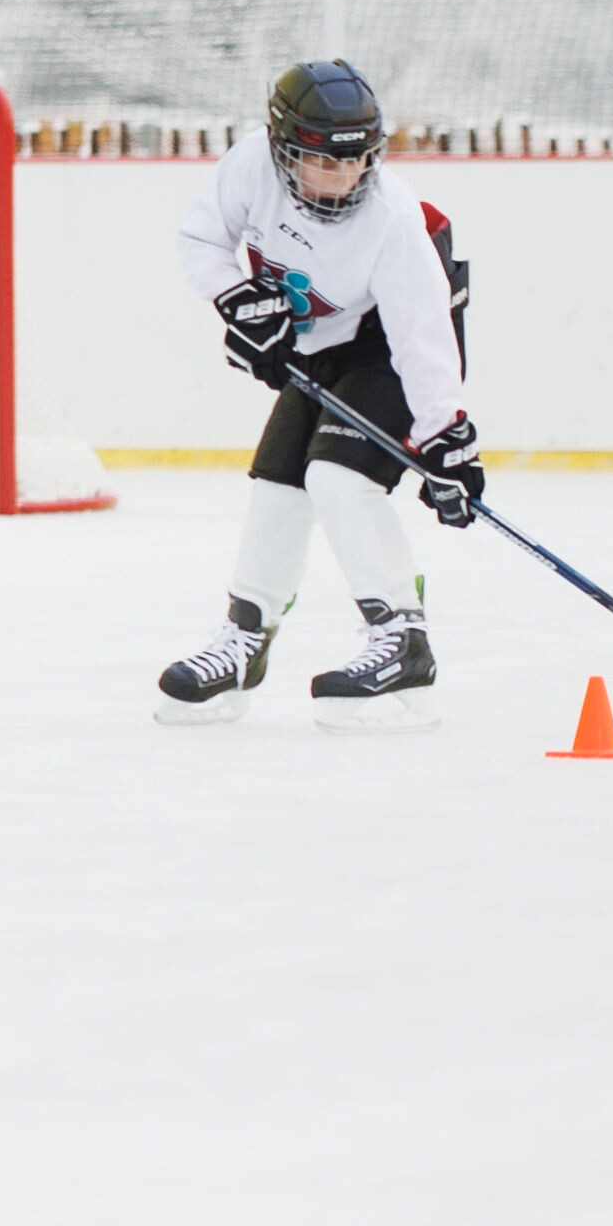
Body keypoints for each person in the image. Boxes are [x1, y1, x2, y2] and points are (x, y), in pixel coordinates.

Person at [156, 59, 481, 733]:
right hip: (321, 344)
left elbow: (423, 336)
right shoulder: (250, 166)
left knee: (337, 477)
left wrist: (443, 436)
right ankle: (245, 640)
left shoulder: (391, 218)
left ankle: (403, 639)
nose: (345, 178)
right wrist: (238, 299)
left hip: (387, 346)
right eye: (324, 162)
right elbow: (201, 241)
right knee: (278, 483)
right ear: (282, 151)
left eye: (358, 160)